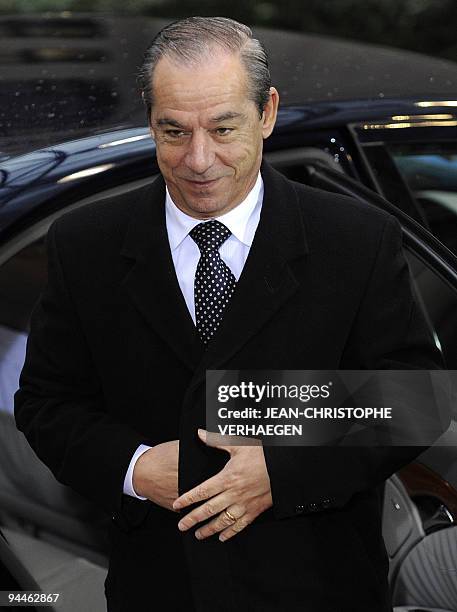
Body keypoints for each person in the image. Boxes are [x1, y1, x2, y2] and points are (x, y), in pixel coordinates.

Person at [14, 16, 446, 612]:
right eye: (173, 131)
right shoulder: (85, 243)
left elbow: (415, 398)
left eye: (223, 128)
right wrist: (136, 469)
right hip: (158, 589)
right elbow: (46, 401)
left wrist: (282, 470)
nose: (198, 159)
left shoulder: (355, 239)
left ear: (266, 113)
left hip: (318, 587)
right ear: (149, 117)